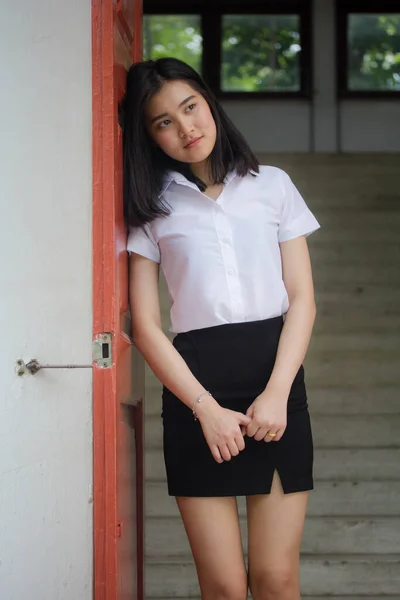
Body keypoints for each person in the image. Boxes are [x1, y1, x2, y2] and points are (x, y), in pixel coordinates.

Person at [122, 57, 320, 600]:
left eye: (190, 107)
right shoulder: (149, 206)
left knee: (276, 581)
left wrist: (278, 393)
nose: (186, 128)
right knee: (226, 588)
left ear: (209, 102)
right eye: (164, 121)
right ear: (149, 135)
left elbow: (302, 300)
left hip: (274, 388)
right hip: (196, 396)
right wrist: (204, 410)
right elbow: (145, 325)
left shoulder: (272, 186)